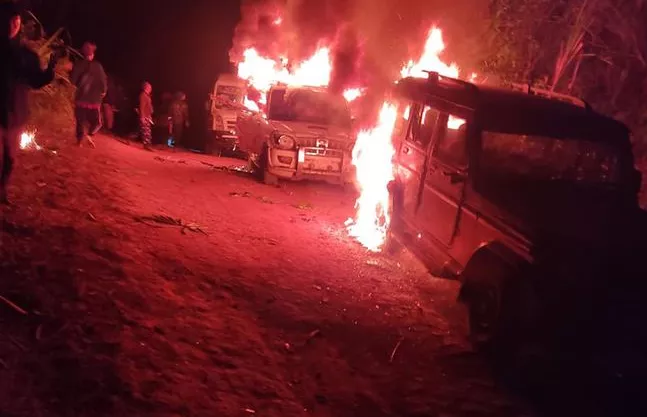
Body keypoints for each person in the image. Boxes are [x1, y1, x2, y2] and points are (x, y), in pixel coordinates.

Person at [1, 2, 59, 205]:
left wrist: (49, 71)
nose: (13, 25)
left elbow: (36, 81)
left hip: (16, 113)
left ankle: (2, 189)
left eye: (16, 21)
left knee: (10, 157)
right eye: (9, 20)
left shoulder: (26, 55)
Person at [70, 41, 107, 148]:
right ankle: (90, 134)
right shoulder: (98, 66)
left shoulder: (78, 64)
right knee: (97, 122)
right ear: (92, 54)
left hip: (81, 98)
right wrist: (104, 91)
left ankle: (79, 141)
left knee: (80, 120)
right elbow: (103, 81)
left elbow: (72, 80)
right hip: (94, 100)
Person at [138, 81, 153, 150]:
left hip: (147, 115)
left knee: (145, 130)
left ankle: (147, 144)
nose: (151, 89)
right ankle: (146, 145)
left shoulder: (147, 96)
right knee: (146, 131)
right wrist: (142, 117)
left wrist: (150, 116)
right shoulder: (143, 95)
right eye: (150, 87)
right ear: (146, 87)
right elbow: (142, 106)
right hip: (145, 116)